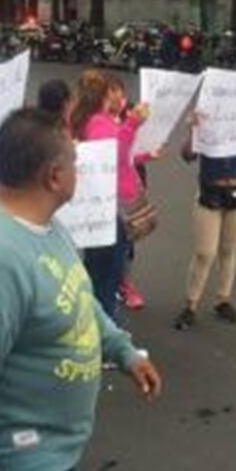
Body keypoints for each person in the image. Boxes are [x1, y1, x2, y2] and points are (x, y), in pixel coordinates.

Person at [0, 108, 161, 471]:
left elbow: (76, 297)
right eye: (74, 161)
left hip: (51, 460)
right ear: (54, 176)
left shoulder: (46, 226)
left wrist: (122, 349)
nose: (79, 168)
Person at [174, 118, 236, 330]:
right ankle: (191, 304)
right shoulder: (207, 122)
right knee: (205, 252)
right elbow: (188, 155)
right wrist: (193, 130)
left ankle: (223, 299)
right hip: (210, 192)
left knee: (229, 250)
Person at [71, 71, 152, 325]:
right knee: (106, 274)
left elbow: (119, 153)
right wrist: (132, 124)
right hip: (109, 208)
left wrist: (144, 155)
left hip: (106, 205)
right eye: (114, 90)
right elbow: (111, 155)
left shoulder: (96, 120)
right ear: (104, 95)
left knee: (104, 271)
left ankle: (101, 327)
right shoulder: (98, 122)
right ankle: (102, 334)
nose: (120, 95)